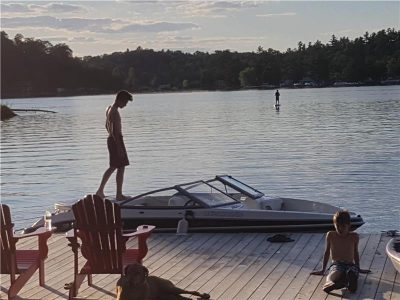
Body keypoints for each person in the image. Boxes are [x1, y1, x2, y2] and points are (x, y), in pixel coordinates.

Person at [310, 211, 371, 294]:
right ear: (334, 224)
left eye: (343, 226)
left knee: (352, 271)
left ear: (349, 225)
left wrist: (358, 268)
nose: (340, 228)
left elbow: (355, 253)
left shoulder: (354, 236)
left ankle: (350, 283)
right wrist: (323, 269)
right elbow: (327, 252)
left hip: (350, 264)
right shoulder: (330, 235)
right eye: (337, 226)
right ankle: (329, 283)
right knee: (334, 273)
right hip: (337, 263)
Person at [96, 90, 133, 201]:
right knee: (120, 167)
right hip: (116, 140)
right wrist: (119, 147)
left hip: (112, 140)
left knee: (113, 166)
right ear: (120, 100)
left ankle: (100, 191)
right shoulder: (114, 112)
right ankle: (118, 194)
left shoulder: (109, 109)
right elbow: (114, 131)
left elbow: (107, 126)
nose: (125, 105)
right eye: (125, 102)